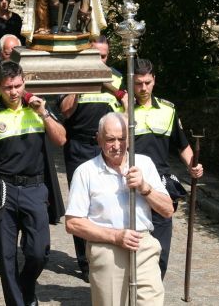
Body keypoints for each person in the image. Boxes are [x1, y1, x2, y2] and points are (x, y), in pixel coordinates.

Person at [0, 61, 66, 306]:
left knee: (38, 251)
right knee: (7, 255)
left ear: (24, 82)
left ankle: (26, 287)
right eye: (7, 87)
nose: (13, 92)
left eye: (17, 86)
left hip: (35, 188)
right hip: (3, 190)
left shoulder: (39, 109)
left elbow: (61, 139)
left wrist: (44, 113)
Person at [65, 112, 173, 305]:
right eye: (110, 139)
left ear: (130, 139)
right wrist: (115, 236)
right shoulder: (85, 172)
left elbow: (167, 210)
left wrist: (144, 187)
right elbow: (73, 223)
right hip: (107, 249)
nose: (117, 146)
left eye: (122, 139)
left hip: (143, 245)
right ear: (99, 139)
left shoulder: (144, 164)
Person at [59, 36, 124, 278]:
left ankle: (107, 251)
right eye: (94, 56)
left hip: (109, 149)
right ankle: (85, 262)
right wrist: (80, 81)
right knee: (81, 205)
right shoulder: (72, 75)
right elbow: (65, 110)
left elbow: (128, 112)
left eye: (104, 56)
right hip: (79, 147)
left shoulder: (117, 77)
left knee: (108, 201)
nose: (99, 60)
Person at [132, 58, 203, 277]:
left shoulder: (168, 110)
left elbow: (182, 145)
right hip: (130, 182)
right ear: (131, 83)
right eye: (138, 83)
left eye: (147, 82)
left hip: (160, 184)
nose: (143, 88)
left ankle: (154, 289)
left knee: (160, 250)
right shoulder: (120, 109)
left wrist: (194, 165)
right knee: (132, 248)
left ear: (154, 80)